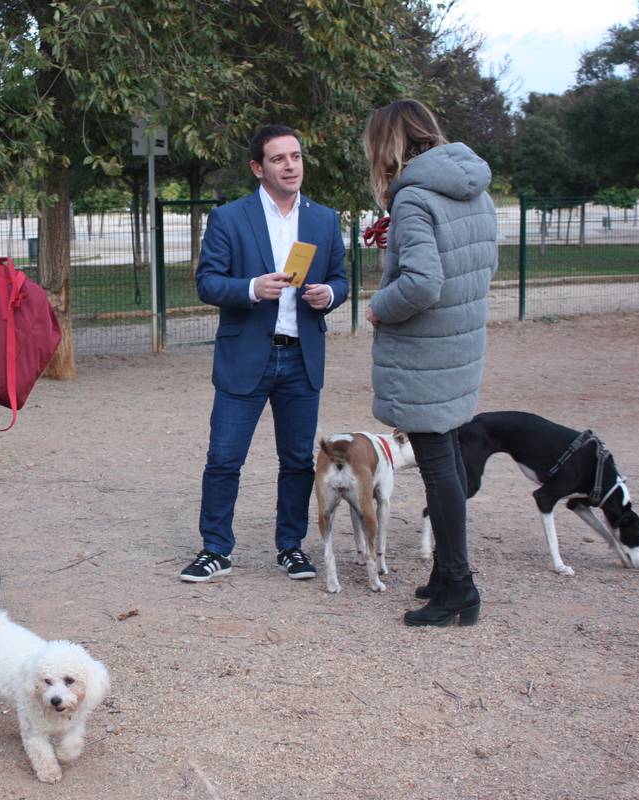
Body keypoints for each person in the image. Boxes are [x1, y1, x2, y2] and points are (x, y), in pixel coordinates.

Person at [180, 124, 348, 583]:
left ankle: (290, 547)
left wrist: (328, 296)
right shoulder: (230, 218)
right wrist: (252, 288)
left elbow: (342, 279)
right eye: (278, 159)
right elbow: (207, 283)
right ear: (258, 168)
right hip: (246, 356)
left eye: (295, 156)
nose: (290, 165)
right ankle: (216, 549)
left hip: (301, 358)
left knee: (296, 460)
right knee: (224, 457)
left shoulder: (324, 219)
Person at [361, 99, 498, 627]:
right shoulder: (474, 188)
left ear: (388, 145)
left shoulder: (416, 198)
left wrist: (378, 307)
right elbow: (482, 265)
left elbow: (421, 283)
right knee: (448, 463)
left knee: (439, 467)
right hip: (458, 348)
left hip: (424, 354)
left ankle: (458, 587)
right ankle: (445, 572)